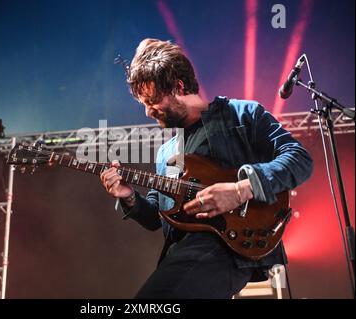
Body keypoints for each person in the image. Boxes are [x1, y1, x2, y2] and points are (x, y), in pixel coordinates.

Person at [100, 38, 313, 298]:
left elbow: (299, 159)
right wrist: (129, 197)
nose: (147, 112)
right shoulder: (168, 152)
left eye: (152, 100)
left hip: (229, 245)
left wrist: (241, 189)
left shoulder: (242, 114)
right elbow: (158, 218)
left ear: (178, 86)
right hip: (182, 252)